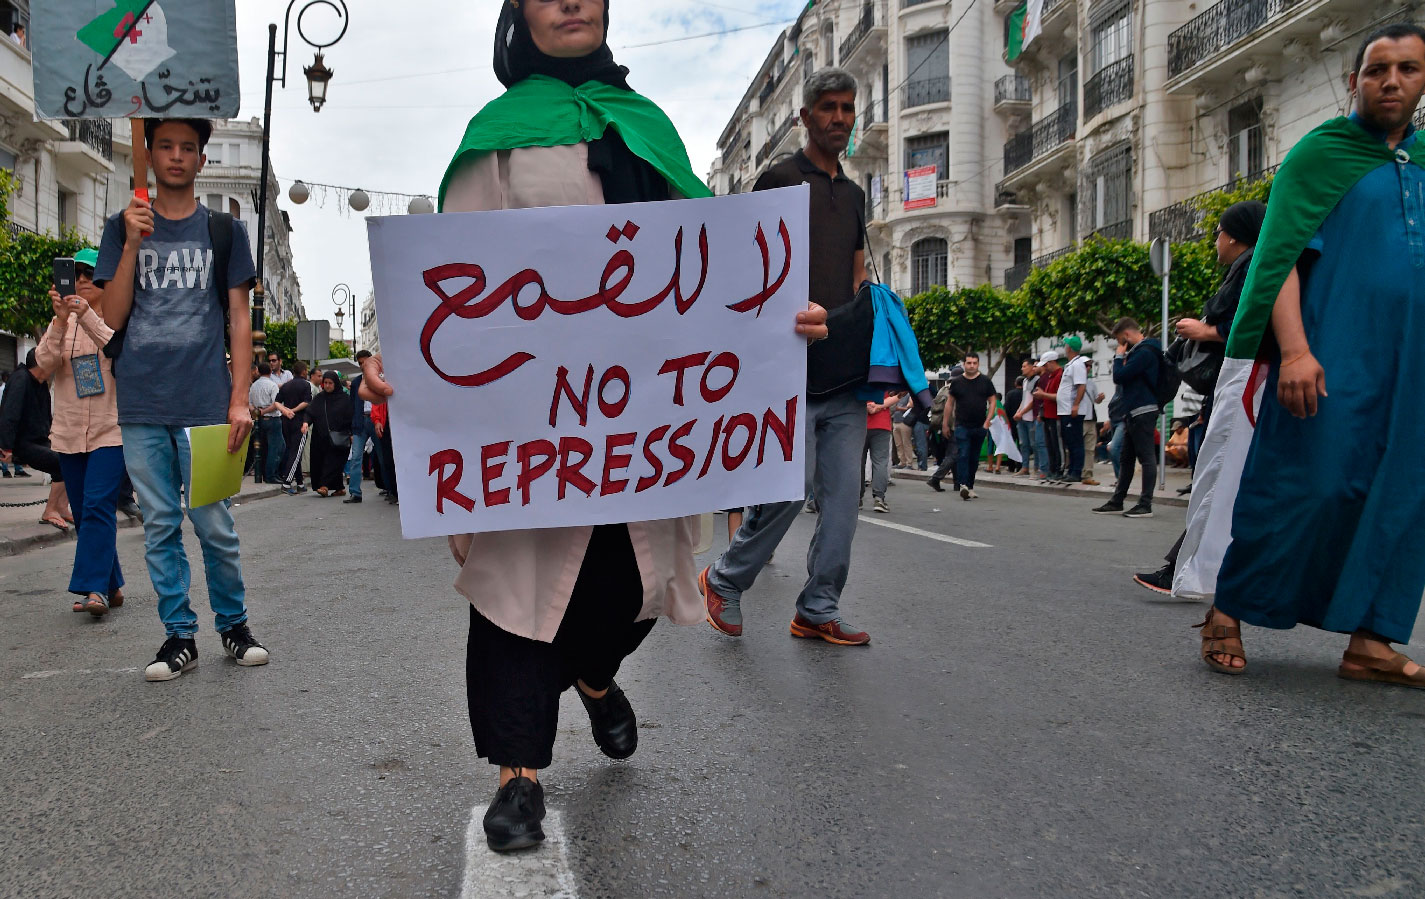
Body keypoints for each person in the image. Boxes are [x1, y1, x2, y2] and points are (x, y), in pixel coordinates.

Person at [361, 0, 830, 854]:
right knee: (515, 598)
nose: (570, 1)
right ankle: (517, 775)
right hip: (535, 427)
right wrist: (411, 361)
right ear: (519, 15)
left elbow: (716, 272)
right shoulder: (498, 135)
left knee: (627, 595)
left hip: (641, 429)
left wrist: (774, 319)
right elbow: (450, 281)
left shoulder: (649, 128)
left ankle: (594, 674)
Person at [1190, 24, 1425, 686]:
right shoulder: (1319, 154)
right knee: (1308, 483)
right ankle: (1227, 608)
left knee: (1404, 497)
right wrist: (1294, 349)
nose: (1390, 81)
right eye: (1377, 69)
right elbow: (1282, 254)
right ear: (1353, 81)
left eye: (1407, 69)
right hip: (1332, 351)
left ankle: (1371, 639)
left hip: (1414, 367)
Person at [700, 66, 870, 648]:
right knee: (785, 491)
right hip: (786, 371)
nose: (840, 118)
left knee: (844, 501)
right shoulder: (776, 179)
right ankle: (724, 579)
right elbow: (743, 273)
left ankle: (818, 608)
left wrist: (854, 330)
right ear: (805, 116)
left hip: (846, 374)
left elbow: (856, 278)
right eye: (829, 107)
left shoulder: (854, 196)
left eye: (848, 108)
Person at [96, 116, 268, 682]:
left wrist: (239, 397)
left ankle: (234, 624)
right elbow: (111, 317)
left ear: (201, 159)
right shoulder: (121, 228)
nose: (175, 156)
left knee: (213, 522)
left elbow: (239, 315)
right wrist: (131, 244)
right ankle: (178, 635)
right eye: (164, 145)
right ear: (149, 152)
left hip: (205, 402)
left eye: (187, 147)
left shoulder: (224, 230)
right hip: (143, 400)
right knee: (160, 524)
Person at [1133, 200, 1266, 593]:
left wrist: (1205, 332)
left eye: (1219, 234)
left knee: (1217, 477)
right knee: (1219, 480)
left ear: (1235, 236)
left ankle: (1188, 570)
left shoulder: (1253, 271)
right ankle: (1188, 567)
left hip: (1241, 386)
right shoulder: (1243, 270)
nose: (1215, 242)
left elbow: (1252, 323)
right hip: (1230, 387)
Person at [39, 247, 127, 616]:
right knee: (85, 508)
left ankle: (94, 590)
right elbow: (42, 366)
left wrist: (86, 314)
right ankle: (112, 583)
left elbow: (117, 350)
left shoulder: (118, 321)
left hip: (111, 431)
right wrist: (60, 321)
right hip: (69, 433)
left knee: (96, 506)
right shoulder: (63, 323)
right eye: (76, 276)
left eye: (90, 275)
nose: (82, 282)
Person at [1093, 318, 1160, 518]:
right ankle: (1117, 500)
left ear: (1127, 335)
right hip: (1132, 411)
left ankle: (1145, 504)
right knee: (1126, 458)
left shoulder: (1145, 352)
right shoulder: (1141, 352)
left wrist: (1117, 357)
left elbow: (1119, 376)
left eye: (1121, 340)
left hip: (1143, 410)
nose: (1121, 344)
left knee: (1147, 458)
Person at [0, 350, 71, 529]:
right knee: (61, 462)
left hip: (39, 440)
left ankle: (61, 506)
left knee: (73, 458)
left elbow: (46, 418)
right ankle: (50, 510)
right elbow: (9, 414)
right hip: (22, 443)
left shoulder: (40, 385)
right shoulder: (21, 379)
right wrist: (6, 447)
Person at [944, 352, 998, 500]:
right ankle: (963, 485)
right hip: (962, 425)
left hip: (980, 425)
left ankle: (970, 486)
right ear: (964, 364)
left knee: (974, 458)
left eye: (974, 363)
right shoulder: (957, 382)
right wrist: (945, 424)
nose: (972, 365)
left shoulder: (985, 381)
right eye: (969, 363)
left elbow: (992, 401)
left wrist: (988, 420)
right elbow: (949, 403)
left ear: (978, 364)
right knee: (963, 454)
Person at [343, 350, 380, 504]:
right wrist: (351, 428)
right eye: (360, 363)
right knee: (356, 457)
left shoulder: (379, 378)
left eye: (365, 361)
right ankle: (355, 492)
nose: (363, 365)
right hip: (360, 421)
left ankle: (391, 488)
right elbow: (352, 405)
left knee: (382, 456)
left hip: (376, 419)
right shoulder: (357, 382)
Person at [306, 370, 351, 498]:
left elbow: (350, 416)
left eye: (330, 383)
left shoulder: (344, 399)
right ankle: (339, 488)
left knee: (332, 463)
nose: (327, 385)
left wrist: (351, 433)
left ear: (336, 383)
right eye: (325, 383)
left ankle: (324, 486)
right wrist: (305, 423)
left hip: (339, 437)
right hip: (320, 438)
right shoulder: (319, 398)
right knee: (321, 461)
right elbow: (310, 412)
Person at [276, 361, 313, 493]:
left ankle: (300, 483)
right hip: (300, 421)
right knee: (296, 453)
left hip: (286, 421)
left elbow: (276, 402)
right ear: (303, 371)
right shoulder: (306, 385)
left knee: (292, 450)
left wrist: (286, 411)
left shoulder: (286, 386)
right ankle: (287, 483)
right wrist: (294, 410)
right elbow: (306, 402)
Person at [1056, 336, 1089, 484]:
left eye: (1066, 345)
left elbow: (1081, 385)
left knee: (1076, 442)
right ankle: (1071, 470)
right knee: (1069, 442)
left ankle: (1076, 472)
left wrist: (1075, 405)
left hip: (1072, 410)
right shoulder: (1071, 365)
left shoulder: (1078, 365)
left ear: (1069, 348)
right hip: (1065, 410)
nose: (1065, 347)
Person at [248, 361, 285, 484]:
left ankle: (263, 473)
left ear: (258, 371)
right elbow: (276, 403)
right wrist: (264, 411)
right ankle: (271, 475)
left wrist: (257, 412)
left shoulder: (254, 386)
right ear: (270, 371)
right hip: (272, 418)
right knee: (276, 448)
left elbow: (249, 403)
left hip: (259, 420)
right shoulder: (272, 385)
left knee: (262, 448)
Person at [860, 391, 896, 513]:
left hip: (860, 423)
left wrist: (868, 405)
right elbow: (899, 394)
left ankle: (857, 498)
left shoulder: (859, 372)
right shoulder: (886, 373)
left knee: (858, 463)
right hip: (882, 424)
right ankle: (879, 498)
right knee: (880, 462)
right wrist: (879, 406)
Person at [1012, 358, 1047, 477]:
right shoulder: (1025, 381)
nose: (1022, 368)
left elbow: (1034, 401)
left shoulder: (1037, 380)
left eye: (1024, 366)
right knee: (1023, 444)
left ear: (1032, 367)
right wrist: (1018, 411)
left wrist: (1022, 413)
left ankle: (1036, 468)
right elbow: (1024, 399)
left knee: (1035, 444)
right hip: (1022, 417)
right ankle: (1025, 467)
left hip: (1032, 417)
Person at [1031, 350, 1062, 482]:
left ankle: (1058, 469)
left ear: (1052, 362)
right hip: (1047, 415)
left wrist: (1043, 395)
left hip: (1056, 415)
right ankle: (1052, 469)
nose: (1044, 368)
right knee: (1049, 444)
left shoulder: (1060, 375)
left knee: (1056, 444)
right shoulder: (1050, 377)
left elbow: (1060, 396)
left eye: (1045, 365)